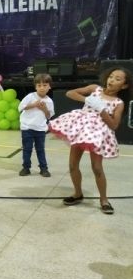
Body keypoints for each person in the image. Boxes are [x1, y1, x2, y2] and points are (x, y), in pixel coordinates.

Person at [49, 67, 131, 215]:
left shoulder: (118, 103)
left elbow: (114, 125)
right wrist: (87, 100)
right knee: (72, 165)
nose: (112, 80)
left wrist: (102, 110)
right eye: (111, 76)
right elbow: (70, 93)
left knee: (97, 168)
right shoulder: (95, 89)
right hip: (81, 130)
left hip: (97, 134)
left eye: (118, 79)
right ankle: (78, 193)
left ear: (124, 85)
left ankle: (104, 200)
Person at [18, 73, 54, 177]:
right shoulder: (30, 96)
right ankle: (26, 167)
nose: (42, 88)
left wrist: (44, 108)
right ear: (35, 87)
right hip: (27, 128)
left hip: (40, 129)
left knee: (40, 149)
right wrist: (34, 105)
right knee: (27, 149)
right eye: (39, 85)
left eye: (45, 85)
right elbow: (21, 107)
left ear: (49, 86)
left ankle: (43, 168)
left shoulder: (49, 101)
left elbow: (48, 116)